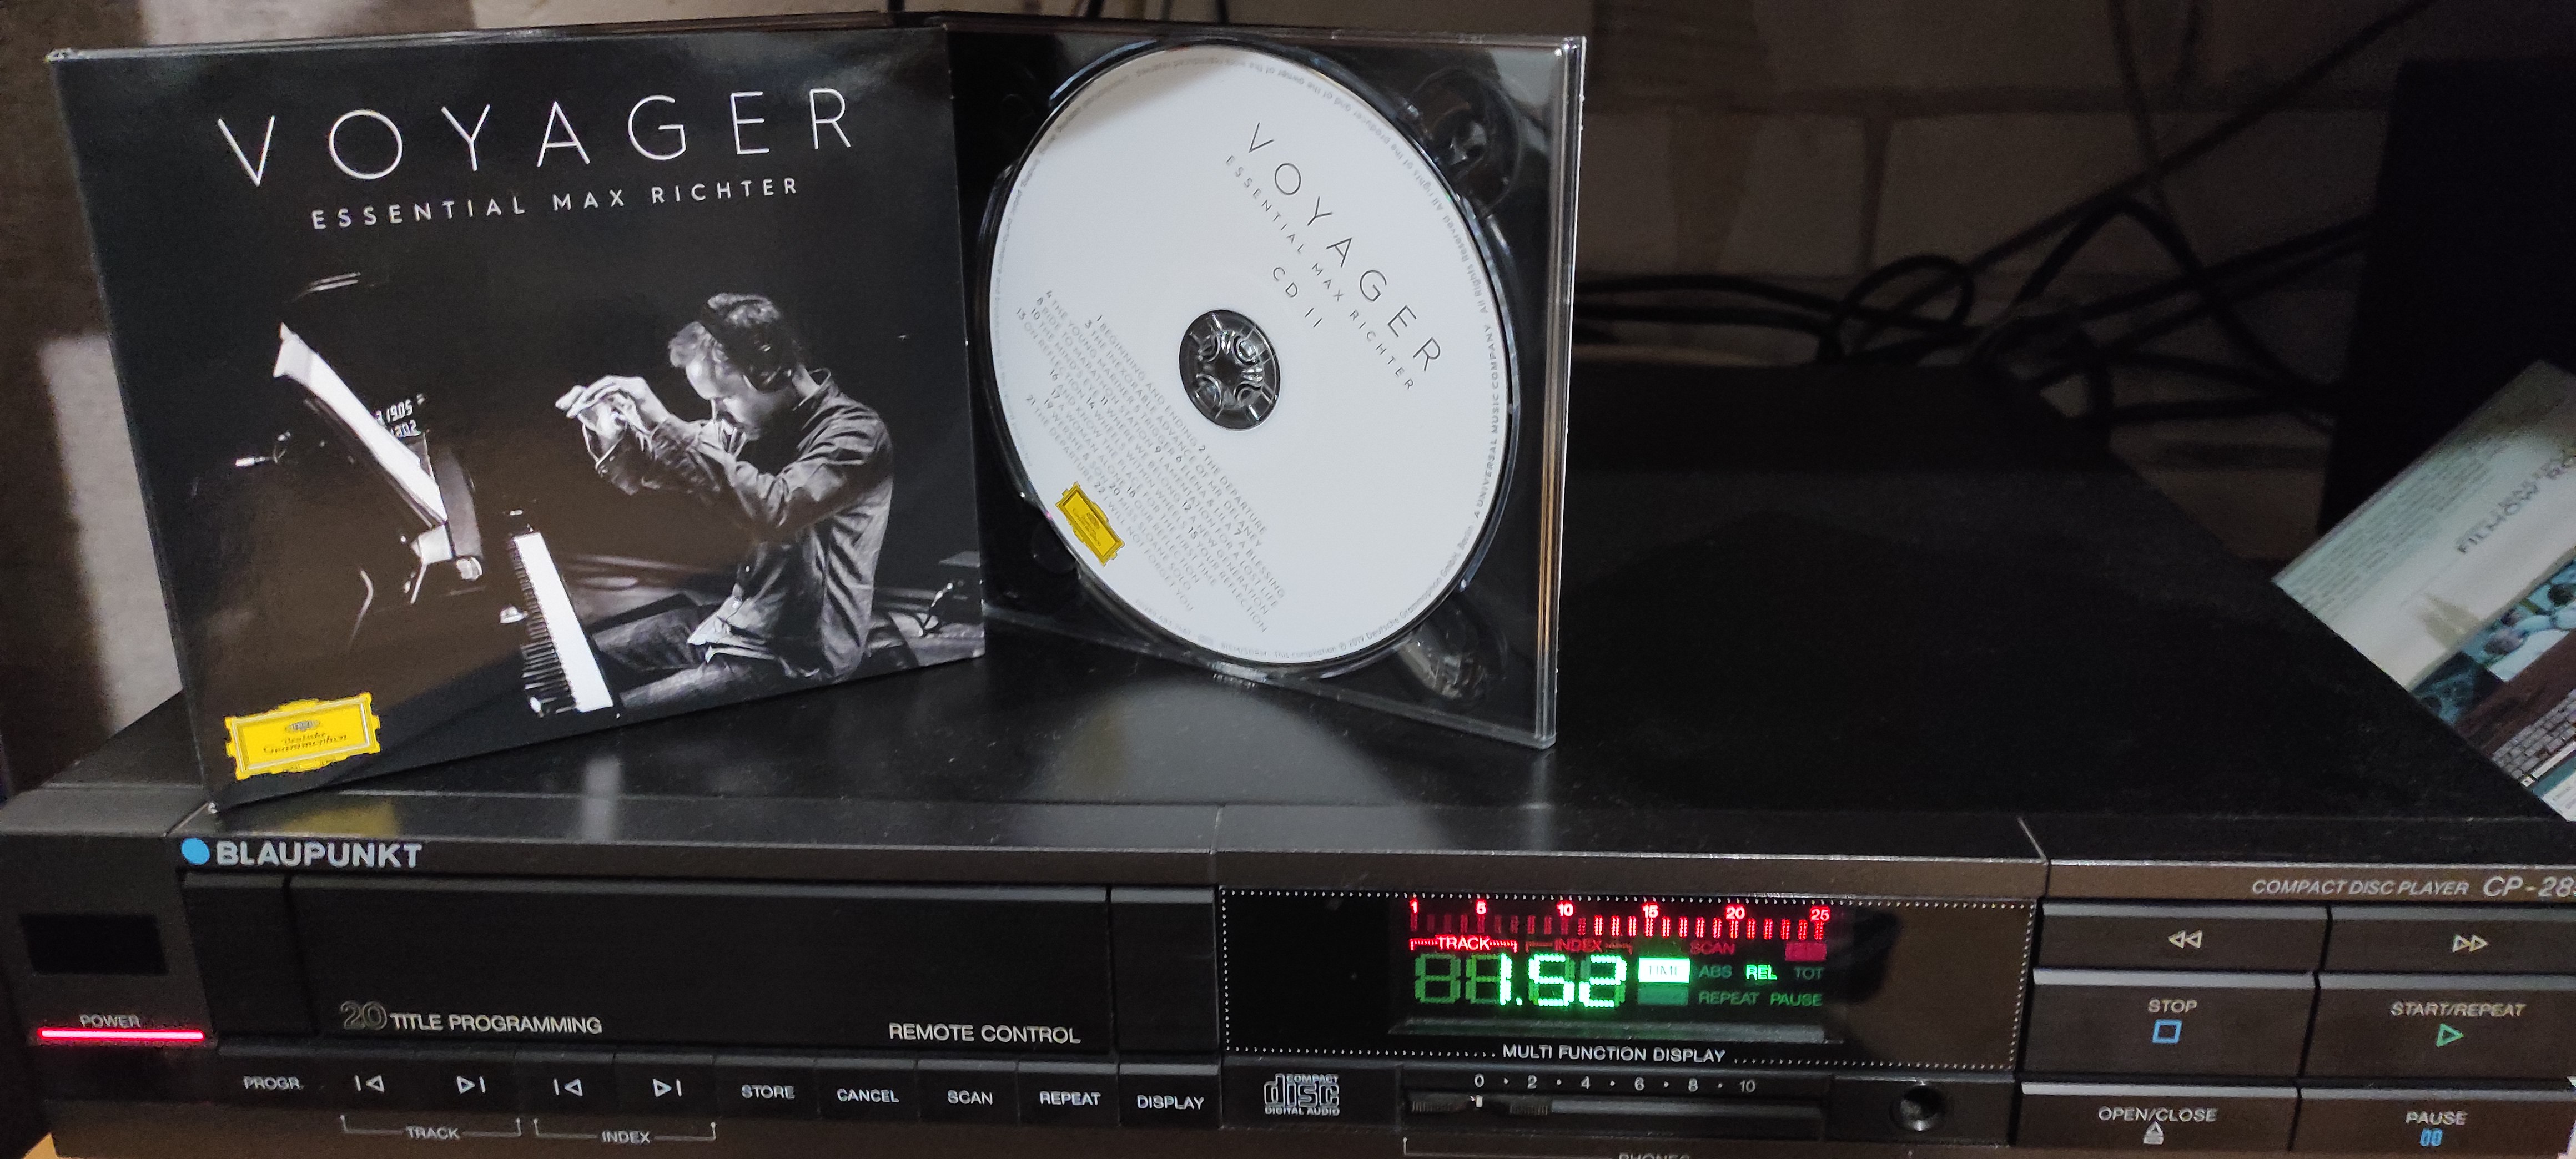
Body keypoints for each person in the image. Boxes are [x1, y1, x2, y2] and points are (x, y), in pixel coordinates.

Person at [554, 292, 892, 712]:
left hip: (798, 658)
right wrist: (612, 431)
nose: (717, 415)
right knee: (577, 661)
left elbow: (776, 509)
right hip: (741, 623)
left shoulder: (856, 435)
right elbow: (673, 466)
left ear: (771, 372)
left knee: (607, 718)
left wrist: (663, 422)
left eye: (724, 397)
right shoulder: (751, 424)